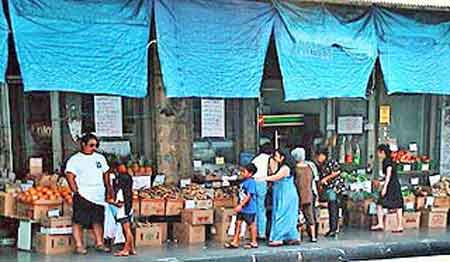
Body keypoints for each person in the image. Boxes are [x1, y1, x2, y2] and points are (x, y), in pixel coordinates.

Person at [65, 133, 113, 255]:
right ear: (83, 144)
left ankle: (99, 243)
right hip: (83, 194)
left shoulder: (100, 158)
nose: (93, 148)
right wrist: (75, 191)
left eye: (96, 145)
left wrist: (108, 187)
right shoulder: (75, 159)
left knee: (97, 220)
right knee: (79, 221)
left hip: (98, 195)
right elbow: (70, 175)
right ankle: (79, 245)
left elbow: (106, 172)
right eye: (91, 145)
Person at [264, 148, 300, 247]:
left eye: (276, 156)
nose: (275, 158)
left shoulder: (285, 168)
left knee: (281, 215)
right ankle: (291, 237)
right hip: (283, 193)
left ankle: (278, 238)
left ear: (282, 157)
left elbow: (276, 177)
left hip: (286, 194)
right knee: (287, 215)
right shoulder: (283, 166)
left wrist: (262, 178)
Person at [371, 144, 404, 233]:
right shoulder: (391, 160)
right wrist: (381, 181)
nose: (378, 155)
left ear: (382, 152)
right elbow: (389, 175)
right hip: (395, 185)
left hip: (391, 186)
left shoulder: (386, 161)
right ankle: (400, 225)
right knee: (398, 205)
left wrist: (384, 187)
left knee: (379, 203)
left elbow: (388, 174)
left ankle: (380, 223)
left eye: (378, 153)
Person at [225, 163, 258, 249]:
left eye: (244, 171)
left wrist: (240, 205)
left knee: (251, 225)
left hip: (249, 208)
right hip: (242, 208)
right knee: (238, 223)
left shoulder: (251, 183)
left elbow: (249, 196)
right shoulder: (243, 182)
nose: (242, 173)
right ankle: (235, 240)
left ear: (250, 173)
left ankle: (254, 241)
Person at [291, 147, 318, 243]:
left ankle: (298, 236)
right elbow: (315, 180)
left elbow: (295, 182)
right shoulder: (310, 167)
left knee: (297, 215)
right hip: (309, 194)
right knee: (310, 215)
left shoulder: (295, 169)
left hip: (298, 194)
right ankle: (313, 236)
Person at [108, 171, 136, 256]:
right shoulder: (129, 191)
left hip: (122, 211)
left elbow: (120, 204)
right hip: (128, 210)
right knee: (128, 230)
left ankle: (126, 249)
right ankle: (132, 248)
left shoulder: (121, 192)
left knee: (127, 231)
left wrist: (110, 202)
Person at [251, 143, 273, 240]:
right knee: (261, 209)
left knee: (254, 208)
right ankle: (262, 233)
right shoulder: (270, 160)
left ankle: (253, 232)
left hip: (254, 182)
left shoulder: (256, 159)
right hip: (263, 183)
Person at [320, 159, 345, 238]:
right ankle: (333, 228)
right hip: (330, 188)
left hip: (334, 188)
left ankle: (333, 229)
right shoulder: (323, 165)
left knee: (333, 207)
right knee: (332, 207)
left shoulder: (331, 162)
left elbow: (337, 172)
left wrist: (326, 178)